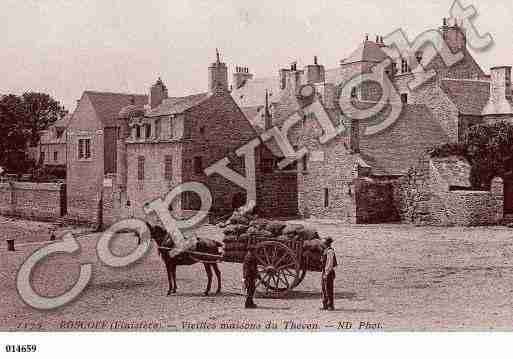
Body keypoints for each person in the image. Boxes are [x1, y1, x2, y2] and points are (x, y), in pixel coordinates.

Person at [321, 237, 337, 311]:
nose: (323, 244)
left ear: (327, 243)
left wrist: (326, 273)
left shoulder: (330, 251)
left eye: (324, 243)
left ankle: (330, 305)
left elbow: (330, 264)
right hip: (325, 271)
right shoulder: (326, 250)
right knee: (324, 289)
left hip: (329, 272)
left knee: (329, 289)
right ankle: (325, 305)